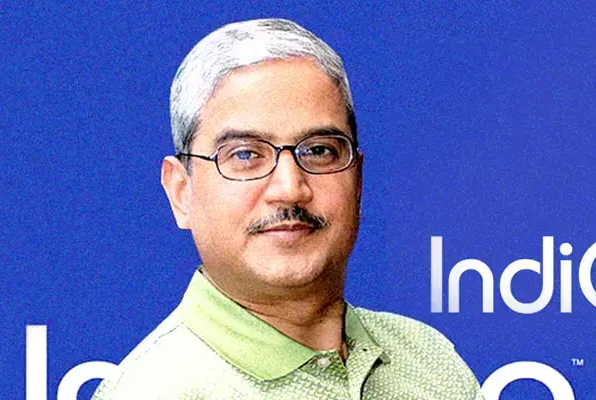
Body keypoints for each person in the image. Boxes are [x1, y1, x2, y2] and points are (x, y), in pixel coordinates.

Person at [92, 18, 484, 400]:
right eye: (245, 155)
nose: (289, 189)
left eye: (319, 151)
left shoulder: (429, 363)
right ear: (181, 192)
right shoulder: (153, 391)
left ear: (358, 180)